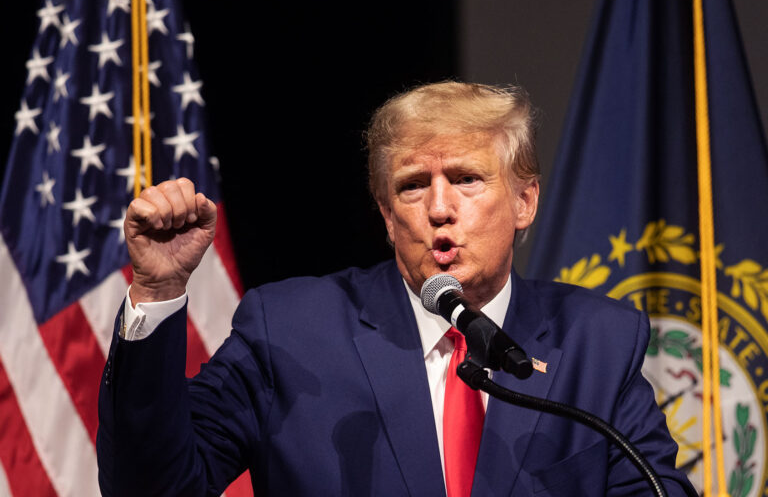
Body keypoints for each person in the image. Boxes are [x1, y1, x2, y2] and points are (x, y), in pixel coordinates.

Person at [97, 82, 695, 496]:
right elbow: (151, 486)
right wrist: (157, 290)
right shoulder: (290, 331)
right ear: (386, 216)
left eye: (466, 179)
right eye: (413, 186)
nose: (440, 208)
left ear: (524, 200)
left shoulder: (598, 341)